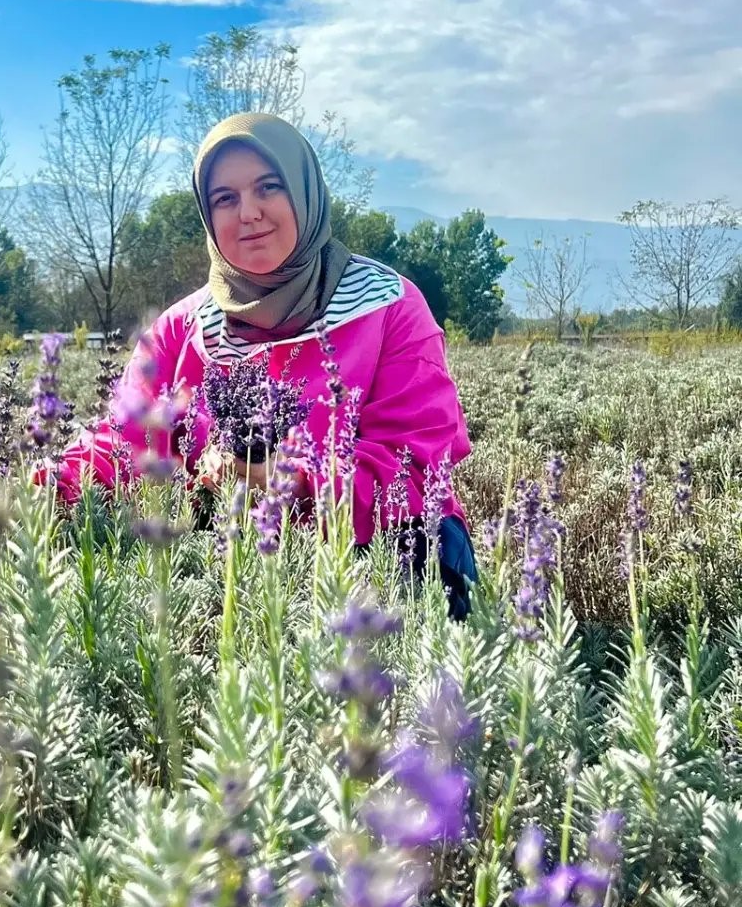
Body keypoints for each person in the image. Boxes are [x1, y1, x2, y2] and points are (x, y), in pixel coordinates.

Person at [42, 112, 477, 617]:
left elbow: (417, 469)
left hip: (376, 563)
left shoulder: (387, 306)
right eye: (224, 198)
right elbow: (123, 442)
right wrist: (40, 492)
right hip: (233, 573)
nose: (248, 213)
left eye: (268, 187)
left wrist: (292, 480)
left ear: (304, 192)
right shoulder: (182, 327)